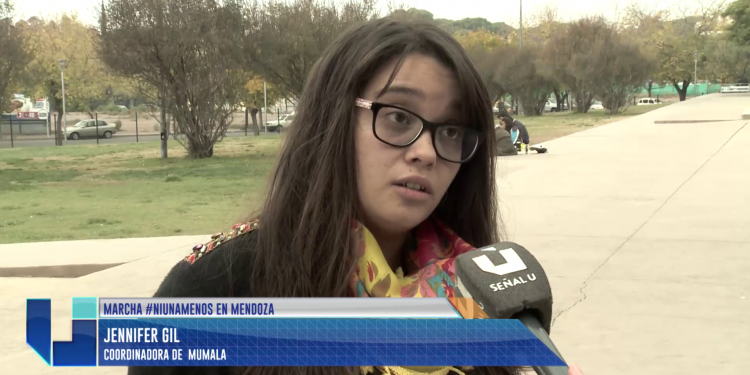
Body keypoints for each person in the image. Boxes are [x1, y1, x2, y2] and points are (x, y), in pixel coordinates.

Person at [129, 18, 583, 375]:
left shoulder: (488, 293)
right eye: (399, 118)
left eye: (450, 130)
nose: (425, 152)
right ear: (332, 122)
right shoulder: (216, 290)